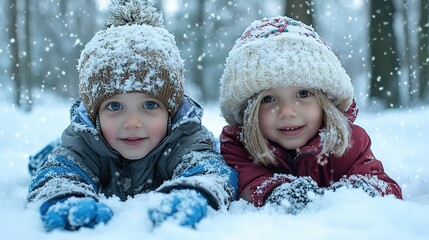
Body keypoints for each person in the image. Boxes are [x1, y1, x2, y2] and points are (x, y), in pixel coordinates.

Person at [26, 0, 237, 231]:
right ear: (95, 115)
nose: (132, 123)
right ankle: (44, 152)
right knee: (53, 154)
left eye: (149, 105)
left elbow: (209, 169)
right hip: (86, 147)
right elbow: (59, 171)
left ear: (171, 111)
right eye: (115, 107)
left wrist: (194, 191)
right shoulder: (85, 141)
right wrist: (65, 196)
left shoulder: (184, 137)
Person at [219, 16, 402, 214]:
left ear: (326, 102)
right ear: (248, 111)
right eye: (268, 99)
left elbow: (385, 189)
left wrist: (359, 193)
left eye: (303, 94)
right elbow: (248, 184)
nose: (287, 112)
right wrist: (278, 193)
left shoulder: (348, 142)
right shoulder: (239, 146)